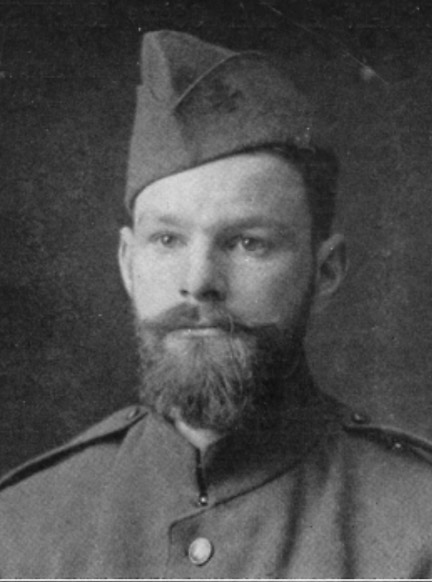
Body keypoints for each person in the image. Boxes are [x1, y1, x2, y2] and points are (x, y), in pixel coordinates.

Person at [0, 30, 432, 579]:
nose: (199, 281)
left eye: (248, 242)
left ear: (325, 271)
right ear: (128, 263)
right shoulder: (19, 526)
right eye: (167, 240)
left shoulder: (418, 525)